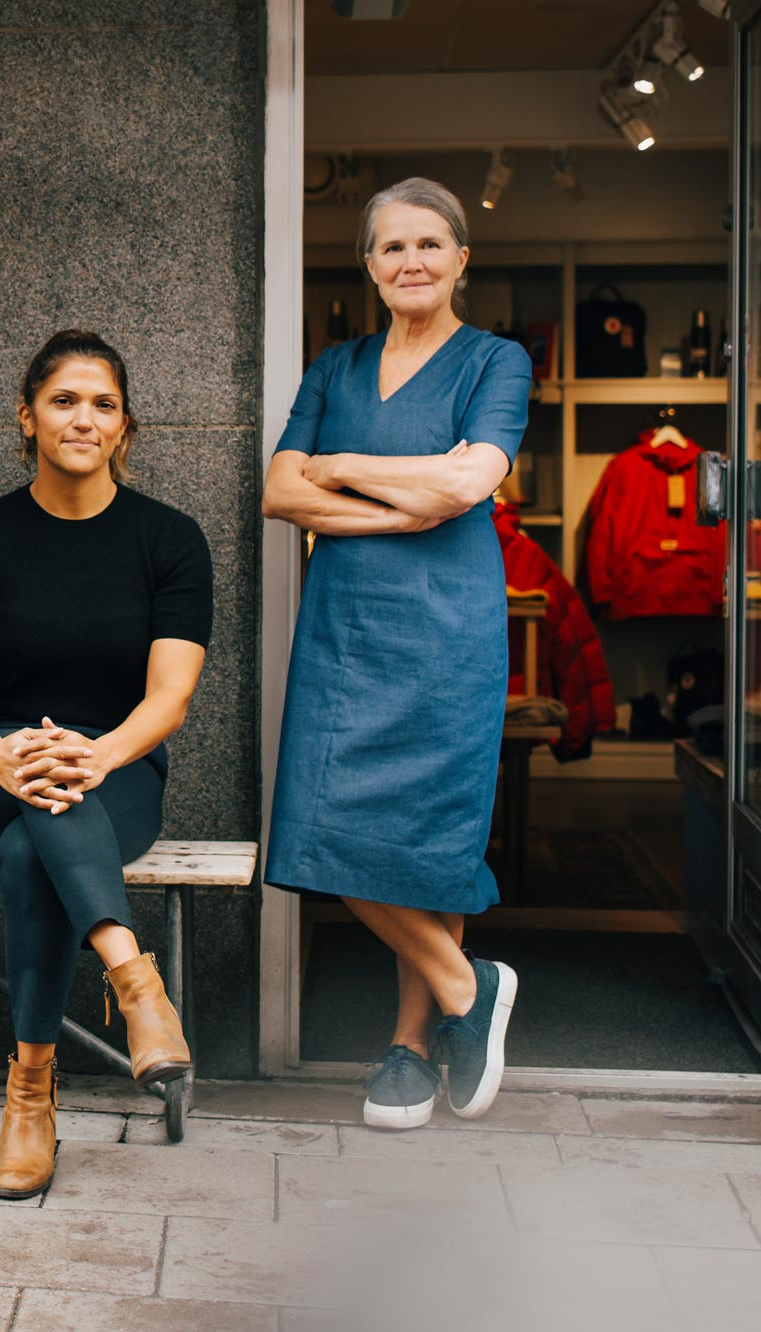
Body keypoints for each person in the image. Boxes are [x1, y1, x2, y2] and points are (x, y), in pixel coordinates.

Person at [262, 177, 532, 1130]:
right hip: (345, 634)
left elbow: (468, 482)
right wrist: (401, 498)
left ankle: (413, 1046)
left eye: (429, 244)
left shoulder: (497, 363)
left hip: (447, 633)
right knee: (317, 832)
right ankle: (471, 987)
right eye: (391, 248)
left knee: (425, 843)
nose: (410, 261)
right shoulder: (335, 369)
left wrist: (339, 466)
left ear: (462, 258)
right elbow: (278, 493)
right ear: (369, 268)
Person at [0, 329, 211, 1197]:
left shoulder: (170, 541)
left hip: (119, 765)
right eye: (63, 401)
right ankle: (133, 980)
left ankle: (30, 1095)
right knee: (31, 816)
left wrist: (95, 756)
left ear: (124, 427)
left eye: (103, 404)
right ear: (27, 416)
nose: (83, 419)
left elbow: (168, 698)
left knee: (31, 846)